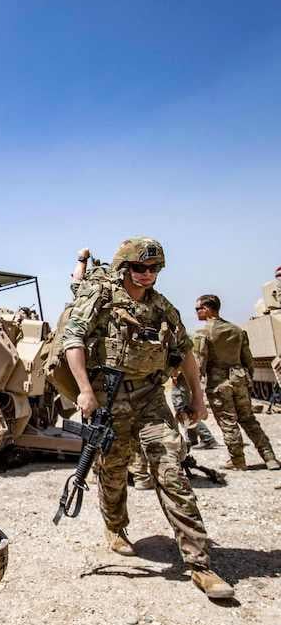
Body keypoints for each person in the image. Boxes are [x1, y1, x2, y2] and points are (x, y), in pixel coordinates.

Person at [62, 237, 234, 599]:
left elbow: (185, 352)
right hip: (109, 397)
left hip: (151, 397)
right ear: (125, 267)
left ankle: (199, 564)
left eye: (154, 269)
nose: (147, 275)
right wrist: (85, 390)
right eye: (140, 268)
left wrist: (198, 399)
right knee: (112, 469)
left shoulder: (160, 307)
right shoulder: (101, 298)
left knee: (171, 469)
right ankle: (115, 526)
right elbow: (73, 340)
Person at [193, 294, 279, 470]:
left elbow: (200, 362)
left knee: (228, 422)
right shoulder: (237, 330)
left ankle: (238, 461)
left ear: (208, 309)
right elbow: (248, 359)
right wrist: (248, 380)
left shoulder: (203, 333)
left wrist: (196, 388)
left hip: (219, 382)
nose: (196, 312)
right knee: (249, 419)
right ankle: (270, 457)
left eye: (198, 309)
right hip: (239, 378)